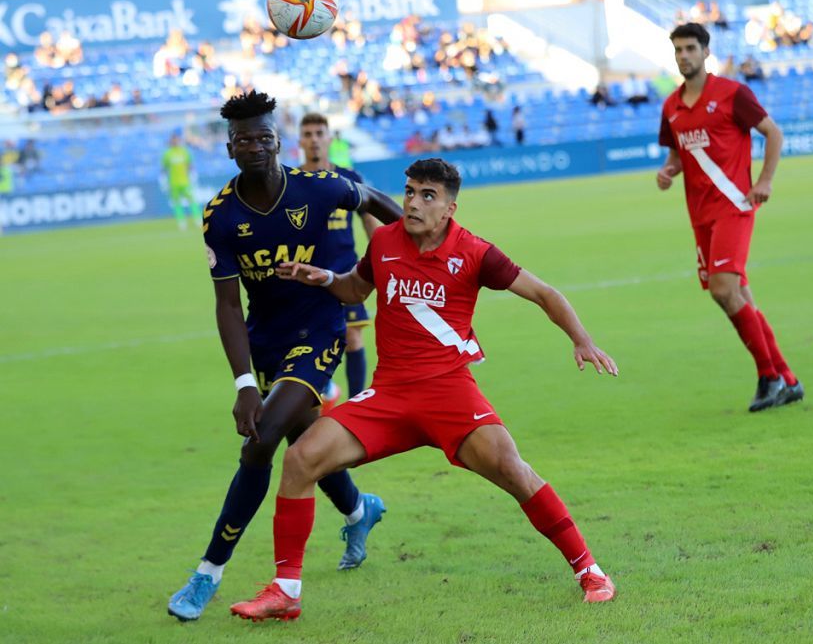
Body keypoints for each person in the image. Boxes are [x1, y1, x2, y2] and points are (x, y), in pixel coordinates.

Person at [229, 158, 618, 621]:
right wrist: (326, 279)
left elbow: (544, 293)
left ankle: (590, 570)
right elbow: (357, 289)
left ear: (450, 208)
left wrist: (582, 339)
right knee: (299, 459)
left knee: (514, 471)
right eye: (410, 191)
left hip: (450, 393)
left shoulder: (475, 252)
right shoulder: (384, 241)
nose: (412, 202)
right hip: (390, 395)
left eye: (426, 195)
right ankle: (286, 590)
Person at [167, 91, 402, 622]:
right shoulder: (220, 216)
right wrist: (244, 383)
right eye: (244, 139)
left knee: (262, 439)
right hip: (267, 339)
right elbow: (228, 305)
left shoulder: (317, 188)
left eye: (264, 137)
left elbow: (373, 202)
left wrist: (417, 240)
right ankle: (360, 509)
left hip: (319, 329)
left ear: (279, 140)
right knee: (305, 440)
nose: (255, 146)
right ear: (230, 148)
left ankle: (208, 572)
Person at [656, 23, 803, 412]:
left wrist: (765, 180)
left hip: (734, 207)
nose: (684, 56)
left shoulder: (732, 94)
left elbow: (773, 133)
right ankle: (787, 379)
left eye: (690, 48)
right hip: (700, 217)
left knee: (724, 290)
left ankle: (768, 377)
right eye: (678, 50)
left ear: (706, 52)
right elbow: (676, 154)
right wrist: (668, 171)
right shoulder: (671, 106)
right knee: (739, 296)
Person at [298, 112, 381, 405]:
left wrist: (386, 257)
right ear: (300, 141)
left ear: (329, 138)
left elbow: (370, 222)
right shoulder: (291, 181)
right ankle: (325, 392)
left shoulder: (349, 179)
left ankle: (358, 403)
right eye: (308, 134)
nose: (314, 140)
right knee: (311, 341)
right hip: (307, 276)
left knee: (353, 338)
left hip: (347, 273)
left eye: (319, 133)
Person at [161, 132, 201, 230]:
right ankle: (181, 222)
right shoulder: (167, 153)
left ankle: (198, 219)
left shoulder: (184, 151)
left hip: (185, 182)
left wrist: (193, 176)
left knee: (192, 201)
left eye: (176, 139)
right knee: (177, 203)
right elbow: (164, 169)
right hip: (173, 183)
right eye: (173, 140)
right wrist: (164, 181)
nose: (175, 141)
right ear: (171, 141)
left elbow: (189, 165)